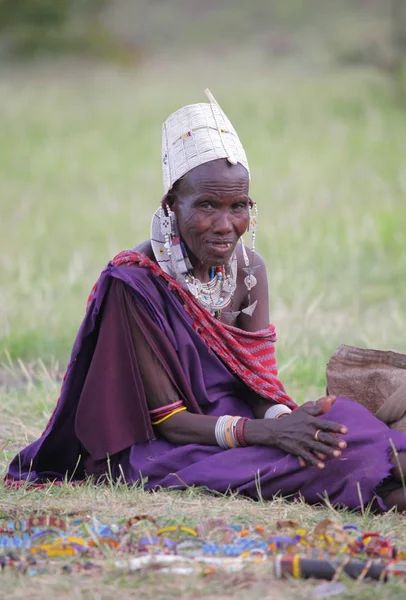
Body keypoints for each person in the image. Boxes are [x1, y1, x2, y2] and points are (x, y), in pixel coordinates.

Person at [7, 90, 406, 512]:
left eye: (239, 207)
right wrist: (270, 434)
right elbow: (170, 421)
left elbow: (259, 387)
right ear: (171, 206)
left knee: (346, 424)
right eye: (206, 205)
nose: (225, 225)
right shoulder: (135, 283)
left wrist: (285, 420)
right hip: (169, 449)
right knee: (350, 458)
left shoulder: (250, 271)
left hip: (248, 430)